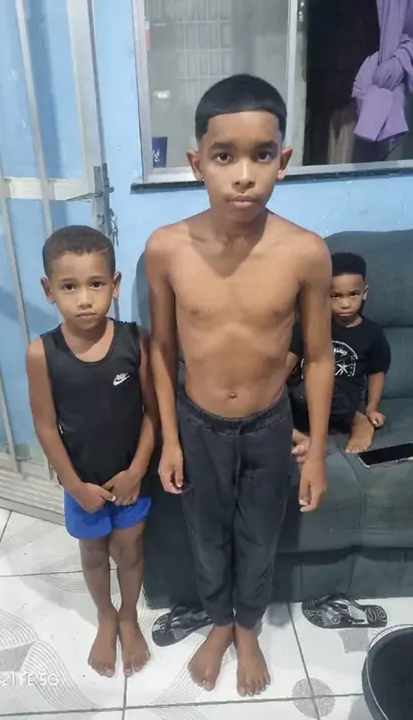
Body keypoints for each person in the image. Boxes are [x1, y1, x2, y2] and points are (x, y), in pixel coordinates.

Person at [145, 74, 334, 698]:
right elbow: (162, 350)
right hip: (198, 424)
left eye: (262, 156)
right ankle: (220, 622)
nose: (244, 176)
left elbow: (318, 356)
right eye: (225, 156)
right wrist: (171, 440)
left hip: (269, 425)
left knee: (260, 535)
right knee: (206, 535)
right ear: (197, 163)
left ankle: (247, 627)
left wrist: (318, 453)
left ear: (284, 160)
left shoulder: (305, 252)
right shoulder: (166, 249)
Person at [26, 226, 157, 679]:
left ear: (114, 285)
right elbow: (45, 426)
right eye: (69, 287)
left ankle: (128, 616)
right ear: (49, 290)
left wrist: (137, 471)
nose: (84, 299)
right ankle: (106, 617)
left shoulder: (135, 341)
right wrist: (74, 485)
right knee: (94, 553)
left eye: (96, 284)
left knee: (130, 549)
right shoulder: (41, 353)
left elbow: (153, 413)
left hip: (131, 478)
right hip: (81, 483)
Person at [288, 252, 391, 454]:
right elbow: (289, 360)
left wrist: (371, 408)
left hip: (341, 401)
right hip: (302, 399)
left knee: (322, 380)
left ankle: (357, 421)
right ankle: (296, 435)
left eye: (353, 294)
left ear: (365, 293)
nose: (345, 304)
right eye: (336, 296)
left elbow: (377, 372)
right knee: (278, 393)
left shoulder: (372, 333)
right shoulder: (309, 326)